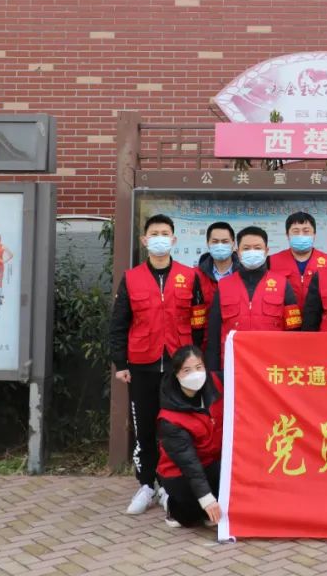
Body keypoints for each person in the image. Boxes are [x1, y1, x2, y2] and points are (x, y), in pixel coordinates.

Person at [108, 214, 207, 515]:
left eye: (165, 233)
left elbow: (198, 321)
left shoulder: (189, 276)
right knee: (145, 427)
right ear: (145, 240)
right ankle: (146, 485)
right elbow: (119, 323)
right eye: (155, 233)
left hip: (179, 367)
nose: (160, 238)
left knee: (176, 427)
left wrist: (195, 360)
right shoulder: (132, 278)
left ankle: (169, 484)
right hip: (142, 365)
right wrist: (120, 363)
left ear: (174, 240)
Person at [206, 226, 301, 371]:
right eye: (246, 248)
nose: (252, 252)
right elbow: (214, 337)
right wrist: (214, 374)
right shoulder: (224, 285)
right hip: (234, 366)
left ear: (266, 251)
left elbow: (294, 332)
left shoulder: (282, 284)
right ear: (237, 252)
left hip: (272, 367)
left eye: (257, 248)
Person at [156, 344, 224, 528]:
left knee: (221, 502)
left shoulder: (216, 382)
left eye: (199, 367)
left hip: (212, 462)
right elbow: (189, 463)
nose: (196, 374)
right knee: (191, 517)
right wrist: (206, 499)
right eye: (187, 370)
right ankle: (172, 503)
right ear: (177, 374)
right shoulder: (169, 419)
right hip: (180, 473)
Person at [269, 211, 327, 309]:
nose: (301, 235)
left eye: (306, 231)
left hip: (318, 317)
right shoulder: (271, 262)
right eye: (296, 231)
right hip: (284, 317)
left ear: (314, 234)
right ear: (287, 235)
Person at [196, 221, 239, 323]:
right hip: (207, 331)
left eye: (225, 241)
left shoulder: (244, 273)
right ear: (208, 244)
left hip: (235, 331)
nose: (220, 245)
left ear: (233, 244)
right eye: (215, 242)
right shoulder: (196, 275)